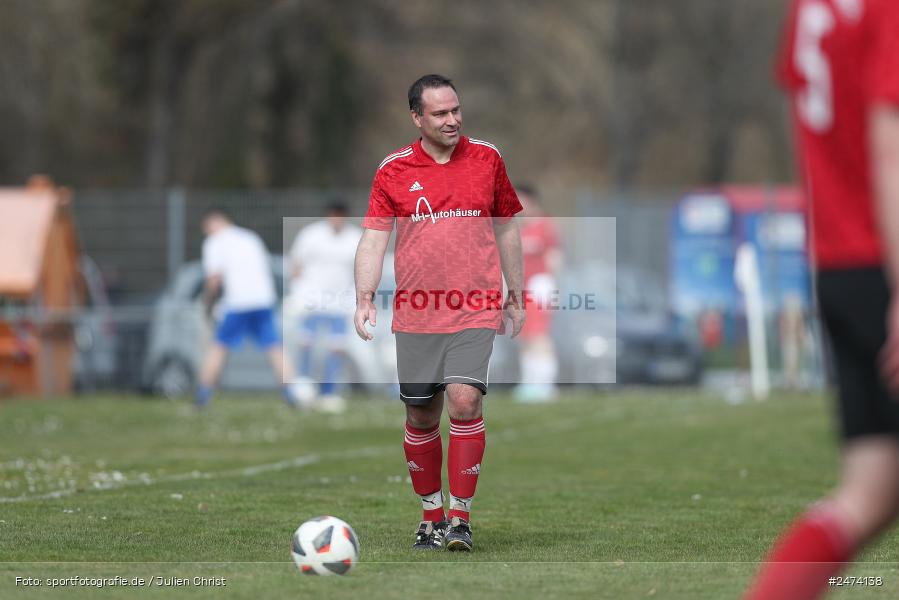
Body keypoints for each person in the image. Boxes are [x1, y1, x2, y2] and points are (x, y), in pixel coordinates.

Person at [745, 1, 899, 598]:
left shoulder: (812, 9)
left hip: (839, 265)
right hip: (884, 259)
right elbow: (889, 146)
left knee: (871, 492)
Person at [354, 74, 524, 552]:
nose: (452, 120)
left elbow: (507, 227)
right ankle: (431, 516)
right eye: (440, 113)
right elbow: (373, 237)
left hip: (475, 306)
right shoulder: (393, 169)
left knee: (464, 401)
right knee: (422, 414)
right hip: (417, 312)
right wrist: (364, 296)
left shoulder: (487, 159)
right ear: (417, 118)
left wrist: (516, 291)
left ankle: (460, 518)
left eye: (456, 110)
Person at [195, 210, 298, 408]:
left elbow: (214, 279)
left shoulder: (214, 242)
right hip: (263, 300)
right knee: (275, 347)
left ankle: (202, 395)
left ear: (213, 223)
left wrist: (208, 303)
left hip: (238, 303)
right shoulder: (251, 237)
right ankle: (290, 393)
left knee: (218, 347)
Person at [288, 202, 361, 408]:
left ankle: (329, 392)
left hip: (340, 302)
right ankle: (303, 387)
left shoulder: (354, 237)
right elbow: (296, 265)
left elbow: (361, 269)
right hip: (313, 300)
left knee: (336, 348)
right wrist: (298, 293)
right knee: (306, 344)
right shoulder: (311, 235)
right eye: (333, 214)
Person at [513, 184, 563, 403]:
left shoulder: (545, 226)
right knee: (524, 335)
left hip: (539, 286)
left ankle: (545, 384)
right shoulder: (518, 229)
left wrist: (551, 284)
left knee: (538, 334)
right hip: (521, 288)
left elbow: (555, 258)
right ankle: (529, 382)